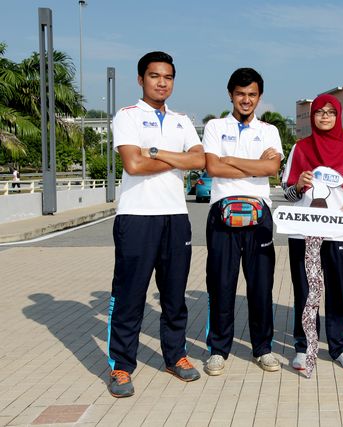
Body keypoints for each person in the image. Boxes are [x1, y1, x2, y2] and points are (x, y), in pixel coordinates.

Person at [107, 51, 204, 398]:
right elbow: (133, 165)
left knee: (174, 295)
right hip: (136, 217)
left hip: (175, 217)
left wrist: (155, 152)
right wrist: (177, 159)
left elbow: (200, 159)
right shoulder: (127, 116)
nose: (162, 83)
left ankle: (175, 356)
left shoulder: (181, 120)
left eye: (168, 77)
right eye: (154, 76)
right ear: (141, 79)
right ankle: (121, 365)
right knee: (130, 296)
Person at [202, 68, 283, 375]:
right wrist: (255, 165)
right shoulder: (215, 126)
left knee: (261, 286)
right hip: (222, 213)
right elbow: (213, 168)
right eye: (240, 94)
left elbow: (272, 169)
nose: (246, 100)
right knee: (221, 283)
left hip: (259, 214)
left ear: (259, 97)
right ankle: (218, 349)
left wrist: (231, 160)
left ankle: (263, 348)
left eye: (252, 94)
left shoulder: (269, 130)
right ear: (230, 95)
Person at [281, 94, 343, 371]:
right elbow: (288, 193)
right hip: (304, 231)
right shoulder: (300, 148)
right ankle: (304, 346)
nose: (325, 116)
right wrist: (299, 184)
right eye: (320, 112)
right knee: (306, 290)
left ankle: (340, 346)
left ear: (338, 116)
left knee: (339, 288)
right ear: (312, 116)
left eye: (331, 112)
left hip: (340, 232)